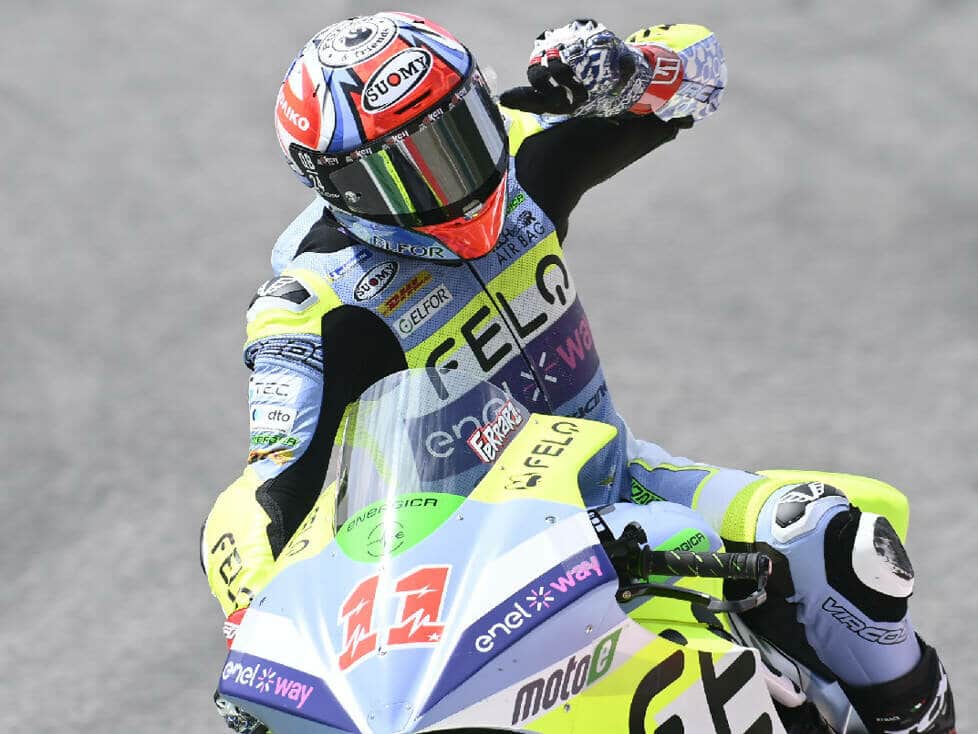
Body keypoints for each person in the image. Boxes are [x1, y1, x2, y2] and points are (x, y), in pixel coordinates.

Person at [201, 13, 954, 732]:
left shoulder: (520, 151)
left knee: (835, 542)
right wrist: (256, 635)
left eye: (458, 136)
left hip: (624, 479)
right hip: (475, 570)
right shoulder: (314, 306)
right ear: (338, 186)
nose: (450, 181)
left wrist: (628, 73)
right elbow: (265, 496)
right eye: (405, 173)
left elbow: (703, 70)